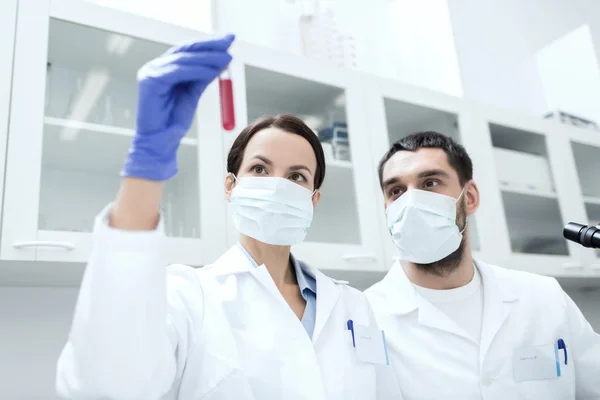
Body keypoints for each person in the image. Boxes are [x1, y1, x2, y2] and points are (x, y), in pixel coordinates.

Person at [55, 35, 399, 400]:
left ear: (313, 198)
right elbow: (104, 385)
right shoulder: (188, 296)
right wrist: (146, 168)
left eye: (297, 176)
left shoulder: (352, 307)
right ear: (230, 186)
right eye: (260, 169)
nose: (278, 186)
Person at [365, 131, 600, 399]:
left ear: (470, 197)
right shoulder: (364, 318)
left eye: (430, 183)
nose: (411, 202)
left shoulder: (543, 297)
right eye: (396, 191)